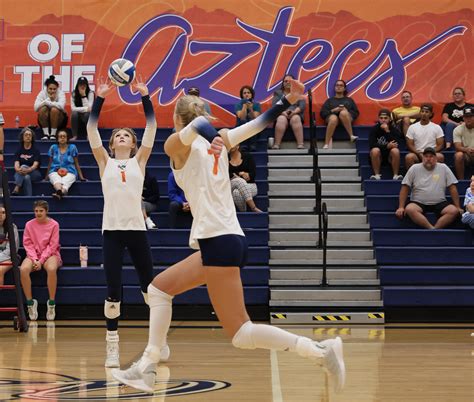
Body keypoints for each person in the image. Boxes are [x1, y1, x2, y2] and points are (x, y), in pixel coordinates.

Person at [112, 78, 346, 394]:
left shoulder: (174, 147)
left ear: (175, 120)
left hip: (219, 240)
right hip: (224, 240)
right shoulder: (217, 139)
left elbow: (202, 126)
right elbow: (257, 124)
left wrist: (220, 133)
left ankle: (319, 351)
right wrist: (284, 100)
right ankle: (149, 363)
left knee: (241, 333)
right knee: (159, 290)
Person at [86, 78, 169, 368]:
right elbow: (90, 129)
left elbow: (152, 128)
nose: (121, 136)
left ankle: (158, 342)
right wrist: (99, 99)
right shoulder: (104, 161)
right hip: (111, 232)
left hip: (136, 231)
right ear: (112, 144)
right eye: (118, 135)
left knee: (150, 289)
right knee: (113, 291)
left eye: (126, 135)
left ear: (133, 144)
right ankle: (112, 346)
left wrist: (146, 97)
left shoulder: (139, 161)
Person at [395, 147, 462, 229]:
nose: (428, 159)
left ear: (436, 158)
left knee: (453, 211)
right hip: (418, 202)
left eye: (431, 156)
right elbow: (405, 187)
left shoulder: (443, 167)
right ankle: (430, 228)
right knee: (409, 209)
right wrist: (401, 207)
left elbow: (452, 188)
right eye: (426, 156)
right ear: (422, 158)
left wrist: (458, 206)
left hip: (439, 202)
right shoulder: (414, 168)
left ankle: (436, 228)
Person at [20, 200, 62, 321]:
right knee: (23, 269)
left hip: (50, 254)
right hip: (33, 255)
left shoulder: (54, 224)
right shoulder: (29, 224)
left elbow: (53, 245)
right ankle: (30, 303)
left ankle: (51, 303)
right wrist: (35, 259)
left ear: (46, 211)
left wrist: (41, 260)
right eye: (36, 211)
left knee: (51, 268)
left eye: (41, 211)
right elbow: (27, 244)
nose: (38, 213)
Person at [44, 129, 86, 199]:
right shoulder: (53, 148)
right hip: (55, 171)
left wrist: (81, 177)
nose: (62, 138)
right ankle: (60, 192)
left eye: (64, 136)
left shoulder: (72, 147)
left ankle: (59, 193)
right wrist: (46, 177)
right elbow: (50, 163)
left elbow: (76, 163)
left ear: (67, 138)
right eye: (60, 136)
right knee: (55, 179)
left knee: (66, 181)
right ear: (57, 138)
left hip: (70, 171)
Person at [320, 79, 359, 149]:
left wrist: (347, 112)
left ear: (344, 88)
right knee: (333, 118)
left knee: (343, 113)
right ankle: (326, 144)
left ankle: (351, 136)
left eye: (341, 85)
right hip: (333, 120)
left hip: (346, 119)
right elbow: (323, 113)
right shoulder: (329, 101)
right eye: (337, 85)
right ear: (334, 87)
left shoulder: (349, 100)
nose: (338, 87)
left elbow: (356, 112)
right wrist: (334, 110)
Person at [271, 74, 306, 149]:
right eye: (285, 81)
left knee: (296, 118)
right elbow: (275, 105)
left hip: (295, 113)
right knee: (281, 119)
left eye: (289, 81)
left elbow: (302, 105)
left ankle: (300, 144)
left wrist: (294, 112)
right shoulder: (278, 93)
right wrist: (283, 112)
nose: (287, 82)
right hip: (282, 113)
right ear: (283, 83)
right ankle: (276, 144)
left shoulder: (298, 92)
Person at [405, 104, 444, 169]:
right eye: (422, 111)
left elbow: (440, 145)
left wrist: (430, 153)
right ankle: (412, 179)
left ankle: (437, 178)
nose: (424, 114)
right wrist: (419, 153)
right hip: (417, 154)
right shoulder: (412, 127)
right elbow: (410, 144)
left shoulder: (437, 127)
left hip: (432, 153)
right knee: (409, 157)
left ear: (431, 114)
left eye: (426, 112)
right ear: (420, 113)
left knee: (440, 157)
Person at [368, 109, 404, 180]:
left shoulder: (394, 129)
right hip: (378, 156)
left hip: (389, 157)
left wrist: (387, 131)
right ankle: (376, 175)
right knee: (375, 150)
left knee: (395, 151)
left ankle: (395, 175)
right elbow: (372, 145)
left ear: (390, 119)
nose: (383, 120)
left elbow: (396, 143)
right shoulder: (374, 129)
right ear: (378, 119)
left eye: (385, 118)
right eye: (381, 118)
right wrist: (386, 146)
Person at [34, 75, 67, 141]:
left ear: (57, 88)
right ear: (47, 88)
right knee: (43, 109)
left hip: (59, 121)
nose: (52, 91)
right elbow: (36, 108)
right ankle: (46, 134)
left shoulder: (61, 93)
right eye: (50, 89)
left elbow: (61, 106)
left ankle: (53, 134)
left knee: (54, 109)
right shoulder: (42, 93)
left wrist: (49, 102)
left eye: (54, 89)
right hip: (44, 121)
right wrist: (48, 99)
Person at [229, 144, 261, 211]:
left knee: (236, 193)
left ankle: (243, 212)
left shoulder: (248, 156)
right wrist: (241, 174)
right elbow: (226, 174)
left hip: (250, 185)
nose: (231, 146)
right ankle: (253, 208)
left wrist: (246, 175)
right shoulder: (225, 158)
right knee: (238, 181)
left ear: (238, 145)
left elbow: (253, 174)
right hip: (231, 185)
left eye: (233, 143)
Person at [12, 126, 42, 196]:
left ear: (32, 138)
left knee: (23, 166)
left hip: (35, 173)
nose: (28, 136)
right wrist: (18, 169)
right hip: (21, 172)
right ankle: (29, 198)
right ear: (22, 137)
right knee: (26, 177)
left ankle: (17, 186)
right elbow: (16, 164)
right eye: (26, 135)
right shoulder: (19, 150)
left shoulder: (35, 150)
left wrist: (27, 169)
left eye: (29, 135)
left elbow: (35, 165)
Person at [234, 85, 261, 151]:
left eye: (248, 93)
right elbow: (241, 117)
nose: (246, 94)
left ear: (252, 94)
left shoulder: (256, 104)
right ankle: (243, 145)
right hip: (241, 126)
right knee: (243, 121)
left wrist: (251, 108)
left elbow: (255, 117)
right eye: (244, 93)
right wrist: (244, 106)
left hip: (254, 127)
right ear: (242, 95)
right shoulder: (238, 104)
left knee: (252, 122)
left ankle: (252, 144)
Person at [0, 204, 19, 286]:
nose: (0, 215)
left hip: (10, 257)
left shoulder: (12, 227)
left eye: (3, 212)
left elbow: (12, 249)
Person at [453, 106, 474, 179]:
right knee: (458, 155)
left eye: (471, 117)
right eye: (466, 117)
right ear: (463, 118)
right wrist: (467, 150)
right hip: (466, 154)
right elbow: (457, 146)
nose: (468, 119)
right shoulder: (458, 129)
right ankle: (461, 181)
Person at [71, 76, 94, 140]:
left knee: (87, 114)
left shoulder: (90, 93)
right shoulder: (74, 93)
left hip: (87, 116)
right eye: (80, 85)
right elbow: (73, 108)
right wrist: (85, 109)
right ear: (77, 86)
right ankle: (74, 135)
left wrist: (83, 95)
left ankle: (88, 135)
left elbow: (89, 108)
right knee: (74, 114)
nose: (82, 87)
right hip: (78, 116)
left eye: (84, 85)